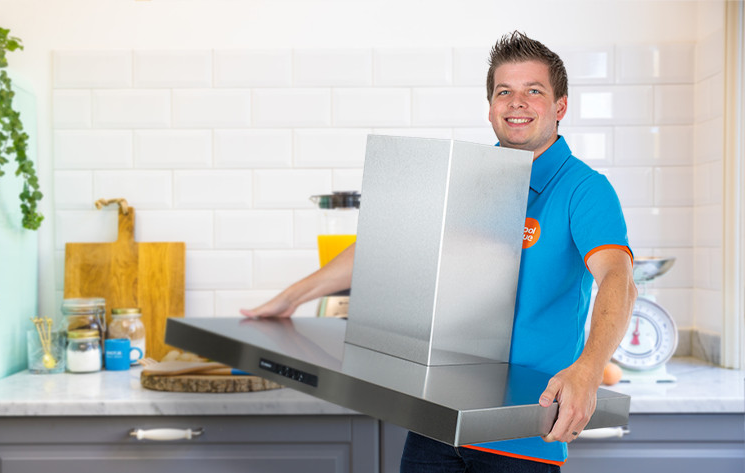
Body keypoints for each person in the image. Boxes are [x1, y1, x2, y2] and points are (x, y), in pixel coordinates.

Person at [241, 31, 637, 472]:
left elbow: (618, 279)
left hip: (522, 434)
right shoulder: (470, 178)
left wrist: (588, 368)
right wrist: (292, 297)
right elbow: (386, 247)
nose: (516, 102)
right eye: (504, 91)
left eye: (534, 91)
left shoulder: (585, 190)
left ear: (560, 107)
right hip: (437, 423)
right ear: (490, 107)